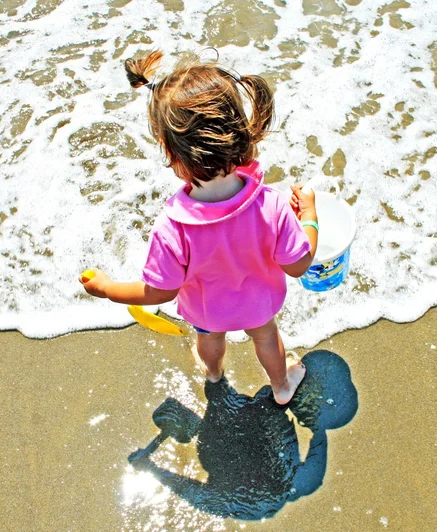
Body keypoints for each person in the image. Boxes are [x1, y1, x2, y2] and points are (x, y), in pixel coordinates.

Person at [80, 50, 318, 405]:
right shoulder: (271, 205)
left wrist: (109, 288)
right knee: (266, 338)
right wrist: (309, 216)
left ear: (171, 152)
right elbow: (299, 266)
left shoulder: (173, 227)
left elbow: (160, 292)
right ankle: (283, 386)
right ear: (240, 131)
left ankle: (213, 373)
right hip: (259, 305)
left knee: (208, 339)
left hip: (207, 312)